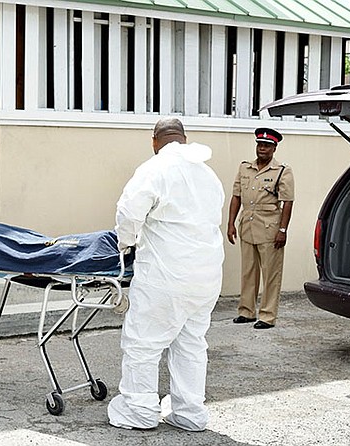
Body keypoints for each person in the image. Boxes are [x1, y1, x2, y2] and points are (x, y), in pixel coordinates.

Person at [108, 118, 225, 431]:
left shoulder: (154, 168)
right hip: (207, 277)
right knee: (191, 344)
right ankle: (190, 413)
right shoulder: (209, 174)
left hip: (167, 275)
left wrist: (124, 243)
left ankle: (139, 410)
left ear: (154, 141)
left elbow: (128, 213)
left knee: (143, 343)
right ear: (184, 139)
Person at [227, 128, 294, 329]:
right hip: (247, 224)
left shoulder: (282, 170)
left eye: (266, 145)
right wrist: (230, 223)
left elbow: (287, 202)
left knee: (271, 274)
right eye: (259, 144)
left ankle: (267, 315)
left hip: (269, 228)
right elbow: (236, 196)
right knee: (248, 272)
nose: (262, 148)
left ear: (274, 148)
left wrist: (282, 230)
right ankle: (246, 311)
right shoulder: (245, 168)